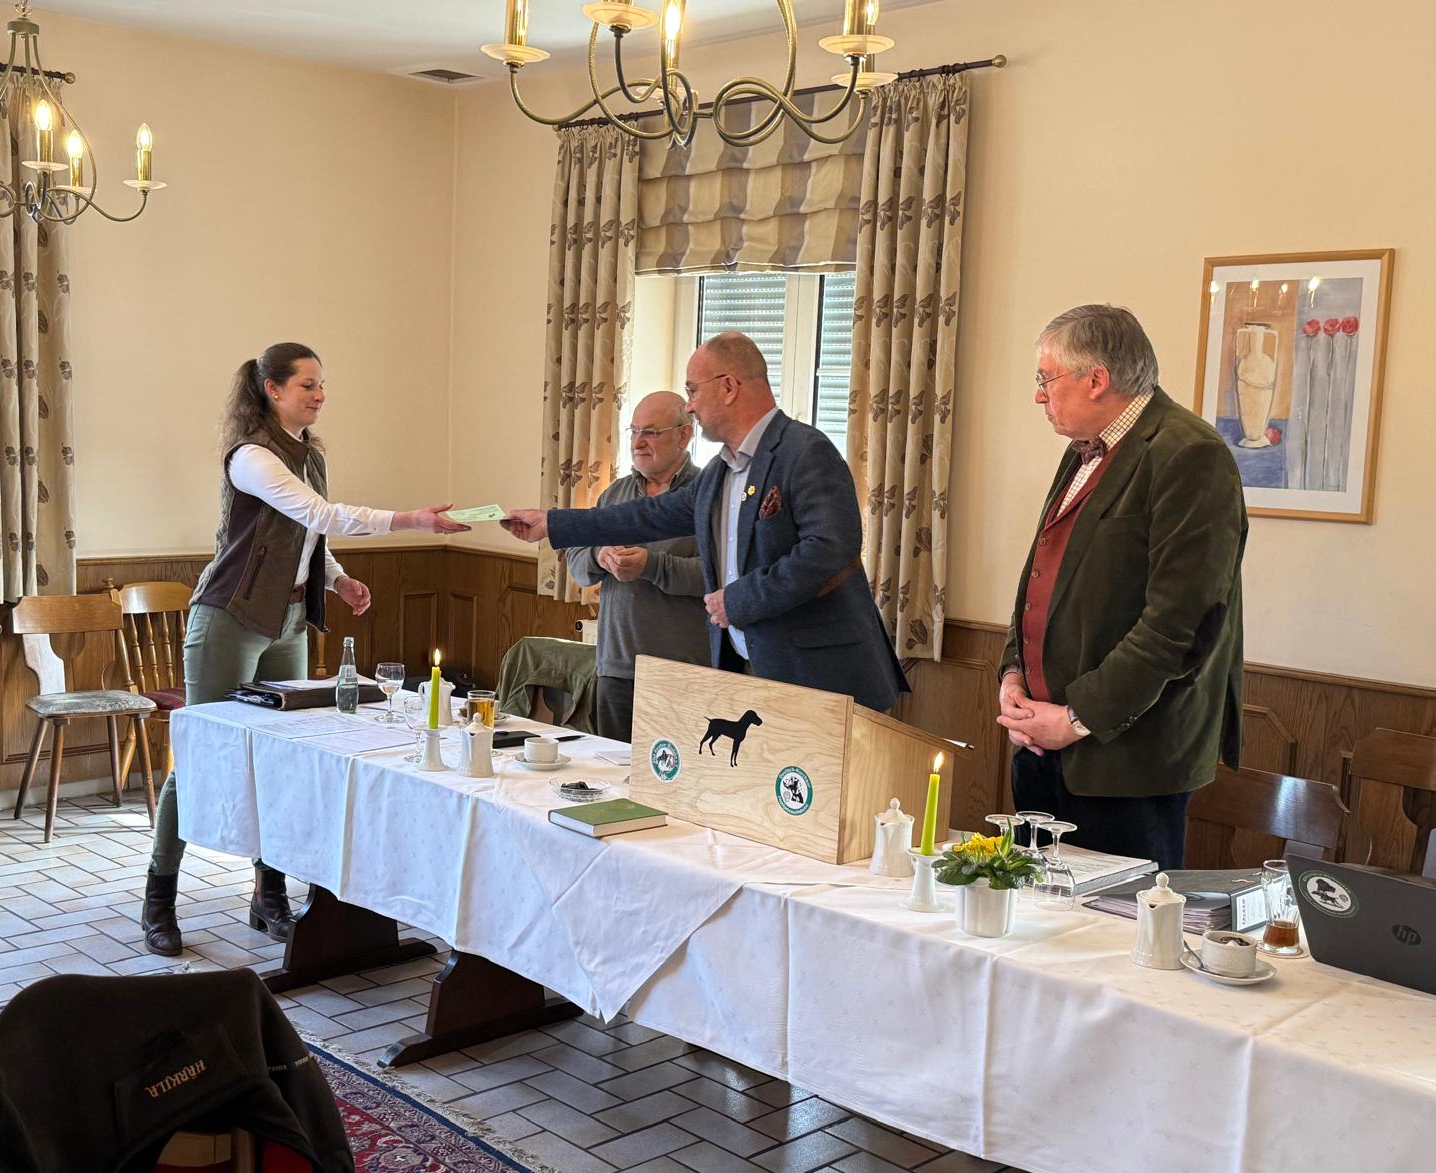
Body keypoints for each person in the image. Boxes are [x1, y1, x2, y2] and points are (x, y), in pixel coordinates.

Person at [141, 342, 468, 956]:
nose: (320, 395)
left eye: (322, 385)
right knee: (202, 757)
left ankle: (269, 898)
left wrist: (337, 579)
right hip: (230, 617)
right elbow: (321, 513)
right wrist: (411, 520)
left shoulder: (310, 455)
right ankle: (159, 900)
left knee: (282, 761)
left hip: (290, 620)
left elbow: (309, 533)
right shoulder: (251, 456)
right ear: (273, 389)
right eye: (307, 385)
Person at [505, 332, 907, 713]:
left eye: (693, 391)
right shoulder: (721, 470)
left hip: (818, 676)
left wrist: (738, 600)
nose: (690, 406)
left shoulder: (805, 451)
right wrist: (552, 524)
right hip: (750, 670)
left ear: (729, 387)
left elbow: (828, 552)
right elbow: (648, 515)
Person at [996, 305, 1247, 869]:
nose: (1038, 395)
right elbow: (1043, 575)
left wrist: (1074, 719)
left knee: (1116, 922)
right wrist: (1013, 674)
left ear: (1096, 379)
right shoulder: (1083, 451)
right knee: (1033, 916)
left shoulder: (1190, 454)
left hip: (1128, 762)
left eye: (1046, 378)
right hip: (1041, 746)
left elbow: (1181, 624)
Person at [564, 391, 710, 741]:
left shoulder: (707, 495)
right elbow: (577, 562)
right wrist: (599, 555)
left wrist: (652, 565)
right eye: (634, 431)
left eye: (651, 433)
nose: (638, 443)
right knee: (613, 770)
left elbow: (719, 577)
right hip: (616, 668)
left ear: (684, 435)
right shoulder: (615, 494)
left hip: (681, 673)